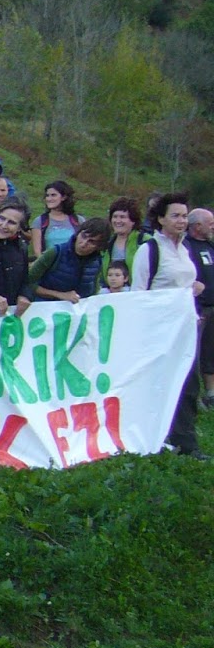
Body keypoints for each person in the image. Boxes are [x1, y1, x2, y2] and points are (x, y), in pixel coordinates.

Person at [131, 194, 204, 457]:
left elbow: (183, 284)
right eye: (175, 215)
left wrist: (194, 288)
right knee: (158, 383)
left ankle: (186, 442)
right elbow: (139, 293)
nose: (181, 220)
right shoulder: (149, 250)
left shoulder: (185, 250)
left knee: (188, 384)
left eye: (184, 215)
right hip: (159, 331)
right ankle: (154, 438)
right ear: (160, 219)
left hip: (185, 327)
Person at [28, 218, 108, 304]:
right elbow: (28, 283)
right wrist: (61, 295)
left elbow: (93, 290)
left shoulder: (97, 261)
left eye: (92, 242)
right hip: (47, 307)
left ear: (99, 246)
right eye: (83, 236)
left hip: (79, 311)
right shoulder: (55, 252)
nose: (84, 243)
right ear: (78, 233)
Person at [187, 208, 214, 409]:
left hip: (212, 307)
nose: (212, 227)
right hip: (198, 309)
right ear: (197, 226)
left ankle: (211, 393)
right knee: (193, 354)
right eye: (210, 223)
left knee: (210, 352)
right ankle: (193, 398)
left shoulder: (210, 245)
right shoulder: (186, 247)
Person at [33, 181, 79, 255]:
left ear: (64, 197)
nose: (49, 199)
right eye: (47, 195)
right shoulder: (40, 221)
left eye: (53, 195)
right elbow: (37, 252)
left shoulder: (78, 220)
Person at [104, 197, 145, 271]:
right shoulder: (107, 244)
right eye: (115, 216)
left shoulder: (144, 241)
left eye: (122, 217)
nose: (118, 221)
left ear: (133, 221)